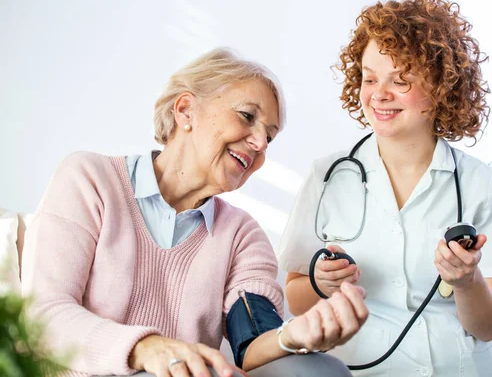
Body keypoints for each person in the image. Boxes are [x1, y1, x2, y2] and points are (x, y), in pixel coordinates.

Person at [21, 48, 368, 377]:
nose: (261, 144)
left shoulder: (242, 236)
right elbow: (44, 317)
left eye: (269, 137)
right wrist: (148, 348)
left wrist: (291, 336)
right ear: (185, 110)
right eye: (247, 116)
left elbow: (251, 337)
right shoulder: (90, 179)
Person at [278, 0, 492, 377]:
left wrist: (466, 281)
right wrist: (321, 285)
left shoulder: (483, 185)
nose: (379, 94)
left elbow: (488, 326)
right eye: (369, 78)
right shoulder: (327, 176)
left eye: (400, 80)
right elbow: (293, 300)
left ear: (441, 87)